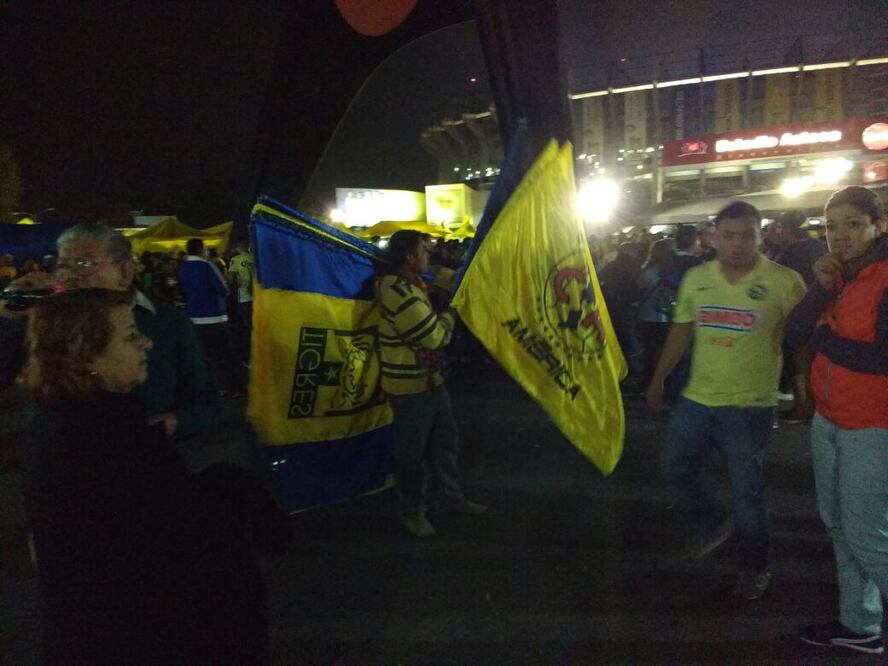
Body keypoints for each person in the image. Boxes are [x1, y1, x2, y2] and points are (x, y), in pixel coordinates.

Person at [19, 289, 290, 665]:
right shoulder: (100, 437)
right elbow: (172, 546)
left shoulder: (80, 418)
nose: (146, 343)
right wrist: (230, 488)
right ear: (86, 356)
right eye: (130, 335)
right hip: (139, 639)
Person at [646, 201, 806, 600]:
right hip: (698, 399)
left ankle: (755, 566)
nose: (738, 244)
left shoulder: (785, 282)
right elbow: (682, 330)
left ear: (760, 235)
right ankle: (714, 521)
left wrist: (805, 389)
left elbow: (802, 340)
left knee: (747, 492)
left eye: (747, 235)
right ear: (713, 236)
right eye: (729, 235)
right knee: (673, 465)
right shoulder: (697, 279)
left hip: (750, 406)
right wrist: (659, 377)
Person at [784, 186, 888, 655]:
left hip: (872, 426)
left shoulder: (884, 278)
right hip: (829, 421)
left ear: (877, 226)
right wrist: (820, 288)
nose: (840, 235)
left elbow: (882, 359)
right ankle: (860, 624)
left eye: (852, 224)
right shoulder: (840, 277)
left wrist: (825, 341)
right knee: (840, 526)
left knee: (867, 534)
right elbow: (793, 331)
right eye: (831, 226)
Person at [0, 223, 218, 440]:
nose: (69, 276)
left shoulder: (170, 323)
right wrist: (10, 317)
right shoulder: (48, 319)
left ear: (125, 270)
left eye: (84, 264)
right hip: (64, 455)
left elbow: (205, 399)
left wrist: (177, 422)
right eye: (63, 265)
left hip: (143, 453)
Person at [376, 230, 486, 538]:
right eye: (424, 252)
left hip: (430, 381)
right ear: (409, 257)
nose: (429, 256)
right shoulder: (396, 290)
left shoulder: (413, 285)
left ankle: (452, 497)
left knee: (444, 445)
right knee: (412, 455)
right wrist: (449, 316)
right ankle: (412, 512)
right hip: (409, 388)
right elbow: (433, 336)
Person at [178, 237, 239, 395]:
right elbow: (223, 290)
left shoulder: (183, 267)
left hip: (194, 318)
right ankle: (228, 387)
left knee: (202, 356)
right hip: (214, 317)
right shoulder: (207, 266)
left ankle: (207, 387)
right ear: (201, 249)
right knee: (223, 354)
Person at [636, 238, 677, 391]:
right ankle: (662, 383)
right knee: (663, 353)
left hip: (648, 315)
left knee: (651, 352)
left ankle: (649, 381)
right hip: (665, 316)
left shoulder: (648, 271)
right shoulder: (671, 272)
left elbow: (640, 289)